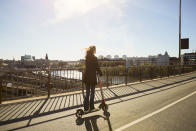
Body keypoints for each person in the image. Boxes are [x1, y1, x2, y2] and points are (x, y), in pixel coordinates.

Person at [83, 45, 102, 111]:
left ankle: (85, 108)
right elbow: (97, 67)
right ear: (93, 50)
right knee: (92, 92)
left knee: (87, 92)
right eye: (95, 49)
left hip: (87, 76)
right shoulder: (94, 58)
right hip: (92, 77)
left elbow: (88, 66)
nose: (95, 50)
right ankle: (91, 107)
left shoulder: (87, 57)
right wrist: (100, 72)